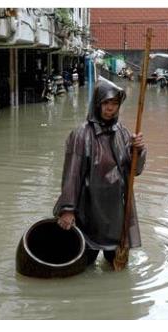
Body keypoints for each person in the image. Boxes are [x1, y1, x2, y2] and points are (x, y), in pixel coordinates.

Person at [54, 77, 146, 268]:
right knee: (83, 265)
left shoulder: (122, 132)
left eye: (114, 103)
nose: (110, 108)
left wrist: (138, 151)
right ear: (97, 103)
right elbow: (71, 175)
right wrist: (68, 209)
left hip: (116, 212)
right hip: (88, 212)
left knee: (117, 267)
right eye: (106, 103)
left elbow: (134, 171)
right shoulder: (81, 135)